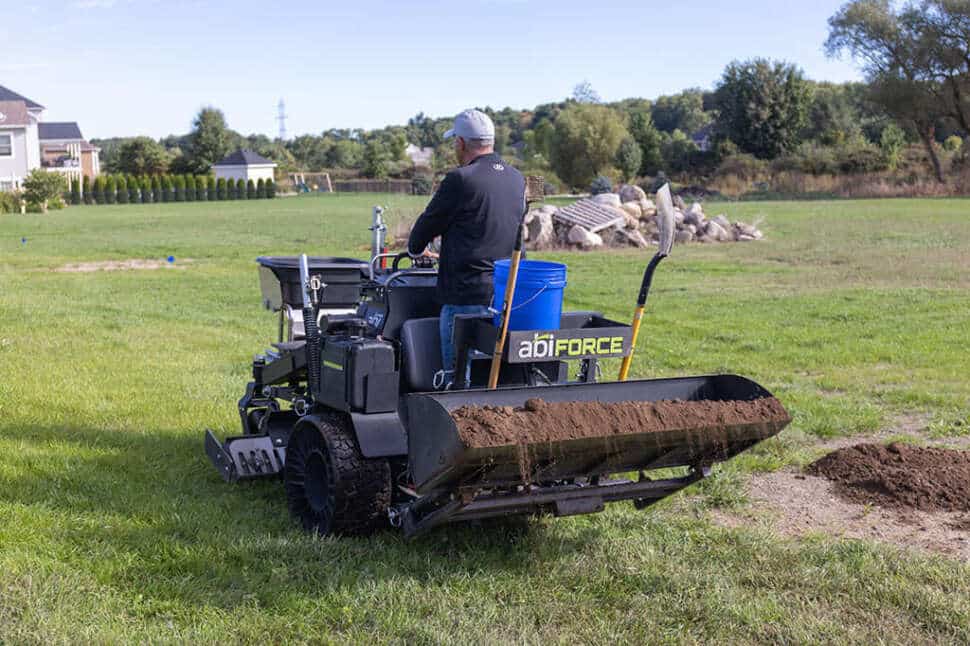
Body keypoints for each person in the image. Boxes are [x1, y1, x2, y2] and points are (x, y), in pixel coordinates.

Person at [408, 109, 526, 389]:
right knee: (496, 379)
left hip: (465, 295)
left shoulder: (460, 179)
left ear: (460, 143)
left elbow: (427, 224)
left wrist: (415, 248)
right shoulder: (517, 178)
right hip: (506, 294)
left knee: (458, 380)